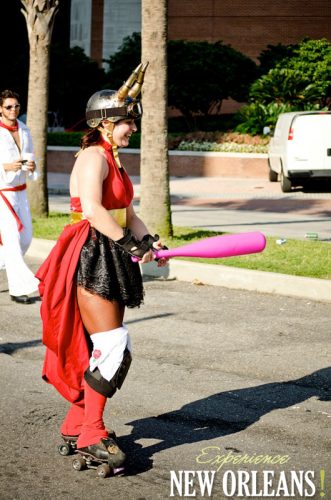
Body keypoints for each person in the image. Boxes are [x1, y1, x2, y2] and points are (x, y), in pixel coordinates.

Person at [36, 62, 167, 469]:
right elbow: (93, 210)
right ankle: (92, 428)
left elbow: (127, 210)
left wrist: (147, 239)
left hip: (111, 249)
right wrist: (130, 243)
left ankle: (78, 421)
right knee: (112, 344)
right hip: (92, 252)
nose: (132, 129)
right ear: (106, 124)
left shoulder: (116, 159)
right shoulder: (93, 156)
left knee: (107, 345)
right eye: (127, 122)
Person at [0, 89, 39, 304]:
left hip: (21, 191)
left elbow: (31, 156)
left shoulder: (24, 129)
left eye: (16, 106)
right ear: (0, 109)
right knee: (13, 241)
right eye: (8, 106)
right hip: (2, 193)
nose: (13, 110)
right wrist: (5, 166)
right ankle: (18, 288)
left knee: (26, 239)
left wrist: (32, 166)